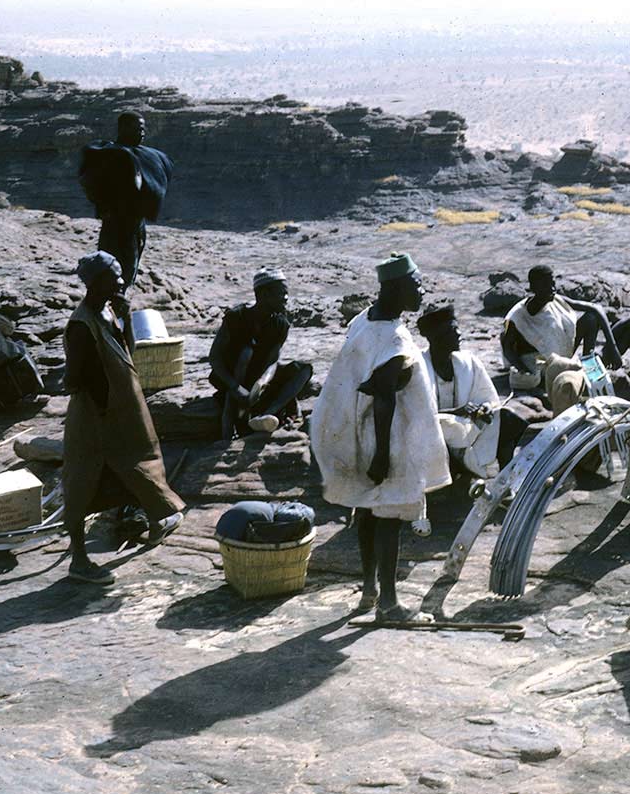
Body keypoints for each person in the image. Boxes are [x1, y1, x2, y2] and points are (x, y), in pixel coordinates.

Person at [309, 253, 451, 624]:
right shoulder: (393, 339)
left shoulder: (363, 321)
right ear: (394, 287)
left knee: (368, 511)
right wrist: (383, 455)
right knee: (389, 515)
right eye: (415, 285)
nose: (421, 292)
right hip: (387, 438)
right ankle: (389, 605)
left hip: (363, 433)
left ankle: (369, 591)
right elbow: (384, 397)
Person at [59, 251, 185, 584]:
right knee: (83, 481)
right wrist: (105, 403)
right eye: (113, 277)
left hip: (123, 411)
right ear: (94, 282)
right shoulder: (81, 324)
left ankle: (157, 520)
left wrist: (126, 320)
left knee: (139, 466)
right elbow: (73, 378)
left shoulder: (109, 312)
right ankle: (80, 561)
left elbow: (126, 353)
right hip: (96, 418)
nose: (120, 282)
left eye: (120, 275)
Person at [416, 303, 530, 478]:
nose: (459, 334)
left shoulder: (468, 362)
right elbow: (417, 416)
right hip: (432, 436)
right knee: (443, 432)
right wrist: (456, 412)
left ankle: (505, 478)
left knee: (509, 420)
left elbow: (488, 399)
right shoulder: (418, 367)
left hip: (467, 430)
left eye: (457, 329)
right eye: (451, 331)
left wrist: (484, 408)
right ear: (435, 337)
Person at [207, 268, 311, 438]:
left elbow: (273, 360)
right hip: (232, 378)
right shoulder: (236, 316)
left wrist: (262, 382)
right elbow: (215, 357)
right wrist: (235, 387)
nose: (286, 298)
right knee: (245, 354)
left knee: (303, 370)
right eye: (281, 293)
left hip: (259, 381)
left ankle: (267, 415)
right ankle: (233, 420)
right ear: (263, 294)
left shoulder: (280, 323)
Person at [78, 112, 173, 289]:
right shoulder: (107, 154)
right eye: (137, 128)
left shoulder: (145, 156)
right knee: (110, 269)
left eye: (143, 129)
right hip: (115, 225)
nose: (142, 132)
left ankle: (120, 299)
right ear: (123, 128)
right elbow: (90, 181)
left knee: (130, 269)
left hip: (136, 225)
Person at [501, 265, 623, 396]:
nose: (552, 289)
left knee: (591, 318)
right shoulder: (518, 316)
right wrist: (524, 370)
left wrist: (612, 346)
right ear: (533, 288)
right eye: (545, 285)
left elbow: (596, 308)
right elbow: (507, 348)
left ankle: (589, 363)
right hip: (540, 364)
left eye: (553, 284)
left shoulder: (556, 300)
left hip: (561, 352)